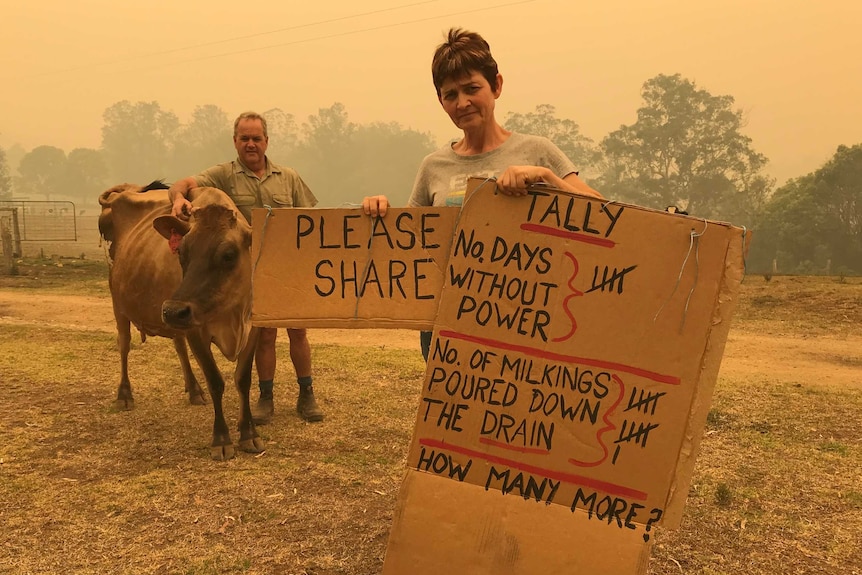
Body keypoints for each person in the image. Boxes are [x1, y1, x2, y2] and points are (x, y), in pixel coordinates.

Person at [362, 28, 604, 360]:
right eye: (450, 94)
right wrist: (381, 213)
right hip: (446, 323)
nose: (462, 103)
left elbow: (604, 215)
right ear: (441, 101)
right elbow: (409, 245)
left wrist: (546, 177)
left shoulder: (538, 151)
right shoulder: (433, 166)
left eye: (472, 88)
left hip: (525, 322)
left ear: (497, 86)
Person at [168, 111, 324, 424]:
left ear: (266, 142)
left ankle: (306, 394)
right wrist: (177, 199)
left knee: (298, 332)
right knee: (263, 337)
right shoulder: (224, 176)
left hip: (285, 267)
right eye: (244, 139)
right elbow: (183, 183)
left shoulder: (288, 177)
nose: (250, 144)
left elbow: (310, 218)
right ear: (235, 142)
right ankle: (265, 397)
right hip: (248, 274)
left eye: (256, 139)